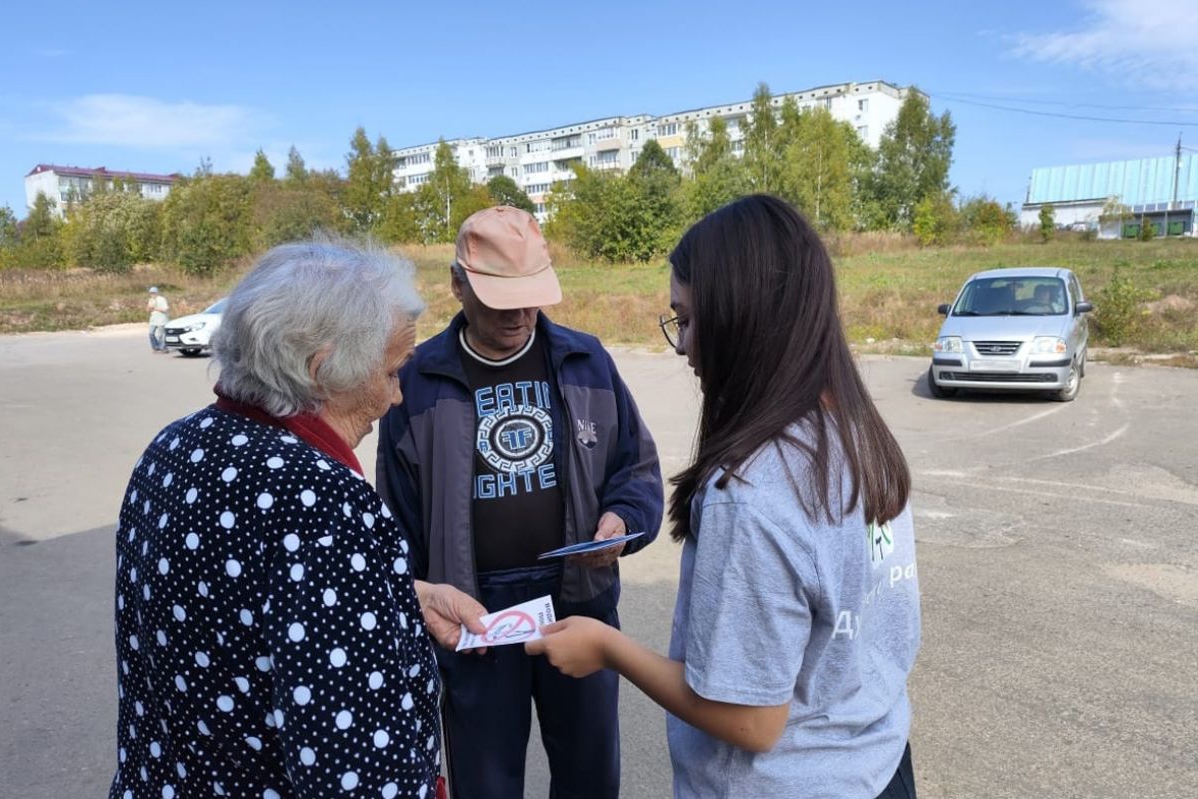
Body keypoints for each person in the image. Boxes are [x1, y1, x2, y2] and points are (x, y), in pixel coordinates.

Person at [528, 195, 922, 799]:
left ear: (741, 318)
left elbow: (751, 720)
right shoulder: (853, 432)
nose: (682, 345)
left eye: (685, 319)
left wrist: (607, 647)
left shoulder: (753, 492)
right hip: (878, 764)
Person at [109, 241, 487, 799]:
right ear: (320, 371)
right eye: (390, 372)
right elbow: (355, 768)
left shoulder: (175, 445)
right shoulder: (320, 498)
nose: (397, 395)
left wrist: (394, 598)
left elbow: (240, 607)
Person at [376, 206, 664, 799]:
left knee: (590, 776)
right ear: (458, 284)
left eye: (532, 294)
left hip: (577, 601)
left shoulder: (587, 361)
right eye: (500, 297)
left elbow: (635, 471)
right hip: (471, 614)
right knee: (485, 781)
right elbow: (397, 519)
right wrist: (419, 603)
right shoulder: (417, 380)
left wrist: (625, 523)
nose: (520, 313)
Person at [147, 286, 169, 353]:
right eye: (151, 293)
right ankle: (155, 346)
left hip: (161, 320)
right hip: (153, 320)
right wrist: (149, 308)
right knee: (151, 333)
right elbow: (148, 310)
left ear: (157, 292)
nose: (152, 294)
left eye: (153, 293)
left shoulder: (162, 299)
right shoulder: (150, 300)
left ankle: (163, 347)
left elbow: (165, 309)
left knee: (160, 335)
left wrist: (155, 308)